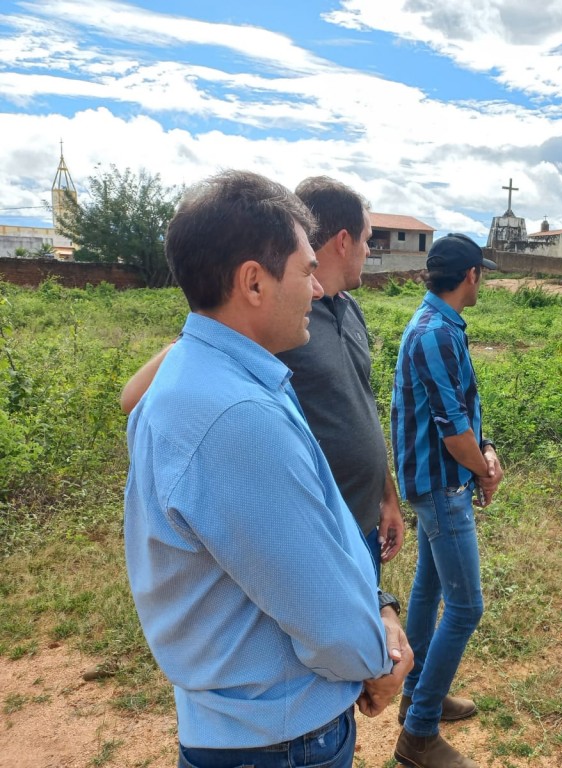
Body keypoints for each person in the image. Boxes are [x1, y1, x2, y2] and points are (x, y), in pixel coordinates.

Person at [123, 170, 412, 768]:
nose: (316, 288)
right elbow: (320, 607)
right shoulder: (238, 417)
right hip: (279, 739)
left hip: (244, 726)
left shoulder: (213, 376)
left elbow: (316, 537)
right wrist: (378, 663)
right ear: (254, 282)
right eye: (306, 271)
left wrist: (379, 604)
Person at [121, 176, 404, 579]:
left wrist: (386, 494)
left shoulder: (349, 309)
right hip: (310, 526)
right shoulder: (277, 317)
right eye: (367, 240)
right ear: (344, 241)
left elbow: (360, 403)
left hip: (362, 517)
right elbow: (140, 393)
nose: (369, 250)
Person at [390, 233, 504, 768]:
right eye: (483, 274)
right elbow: (453, 430)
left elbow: (463, 413)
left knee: (430, 586)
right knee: (466, 605)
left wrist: (486, 451)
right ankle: (419, 732)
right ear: (471, 275)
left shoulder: (441, 326)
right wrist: (483, 471)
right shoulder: (435, 333)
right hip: (442, 485)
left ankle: (416, 694)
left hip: (441, 479)